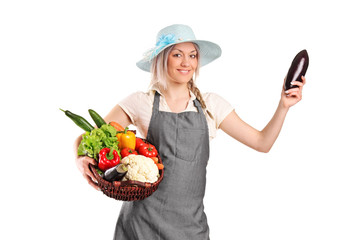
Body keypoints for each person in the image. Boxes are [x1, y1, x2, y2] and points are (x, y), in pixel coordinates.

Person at [74, 24, 306, 240]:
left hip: (190, 230)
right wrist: (80, 158)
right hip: (140, 227)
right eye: (177, 54)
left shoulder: (211, 105)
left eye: (192, 55)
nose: (186, 63)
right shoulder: (140, 102)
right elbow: (87, 137)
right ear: (162, 60)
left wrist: (283, 106)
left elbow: (262, 142)